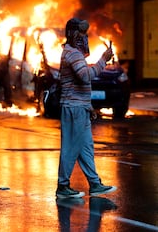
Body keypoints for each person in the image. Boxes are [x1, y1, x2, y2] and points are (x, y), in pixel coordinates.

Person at [56, 17, 117, 199]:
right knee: (71, 148)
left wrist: (88, 105)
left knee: (85, 148)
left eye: (85, 34)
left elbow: (78, 84)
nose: (84, 38)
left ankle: (95, 183)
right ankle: (63, 186)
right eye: (81, 33)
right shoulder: (73, 54)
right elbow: (85, 76)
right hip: (74, 108)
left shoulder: (72, 52)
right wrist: (103, 60)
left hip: (79, 107)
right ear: (73, 35)